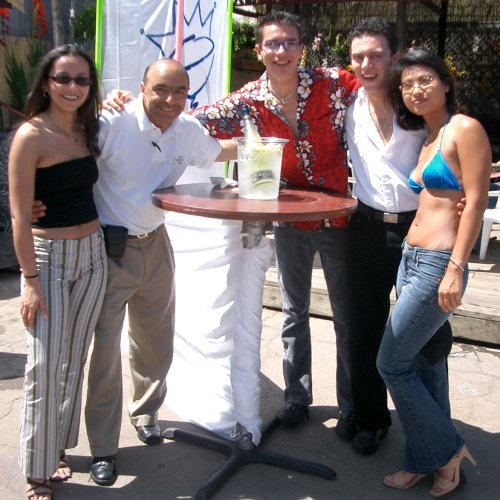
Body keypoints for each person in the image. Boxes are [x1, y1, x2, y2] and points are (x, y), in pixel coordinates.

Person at [32, 58, 235, 486]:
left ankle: (145, 413)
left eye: (180, 91)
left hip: (156, 243)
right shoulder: (113, 122)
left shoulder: (187, 129)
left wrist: (266, 143)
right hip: (108, 248)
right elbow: (63, 154)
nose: (171, 99)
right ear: (141, 87)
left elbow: (219, 152)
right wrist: (34, 200)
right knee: (105, 352)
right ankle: (104, 447)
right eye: (161, 89)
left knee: (156, 341)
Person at [193, 11, 360, 430]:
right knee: (293, 311)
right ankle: (297, 398)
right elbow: (192, 122)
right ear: (259, 50)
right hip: (288, 218)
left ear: (301, 48)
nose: (281, 51)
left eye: (289, 42)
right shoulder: (249, 99)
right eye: (272, 43)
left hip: (338, 218)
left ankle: (352, 405)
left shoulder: (334, 84)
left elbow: (383, 95)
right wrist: (129, 108)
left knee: (346, 315)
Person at [376, 48, 490, 496]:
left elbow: (475, 202)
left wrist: (456, 268)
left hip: (439, 263)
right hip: (411, 258)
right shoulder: (427, 135)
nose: (415, 90)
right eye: (407, 85)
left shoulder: (465, 128)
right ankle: (428, 463)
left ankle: (447, 450)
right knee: (425, 363)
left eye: (424, 80)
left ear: (445, 82)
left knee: (391, 363)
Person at [344, 18, 453, 456]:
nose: (367, 64)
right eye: (358, 57)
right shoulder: (344, 105)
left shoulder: (418, 106)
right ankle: (371, 419)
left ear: (394, 57)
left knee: (426, 336)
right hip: (366, 226)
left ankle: (434, 428)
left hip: (419, 231)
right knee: (364, 327)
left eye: (376, 55)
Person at [9, 45, 107, 500]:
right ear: (46, 83)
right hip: (48, 259)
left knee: (74, 359)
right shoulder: (30, 135)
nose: (72, 87)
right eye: (63, 78)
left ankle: (57, 448)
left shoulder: (88, 128)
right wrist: (30, 281)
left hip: (93, 256)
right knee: (45, 366)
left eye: (82, 80)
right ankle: (37, 471)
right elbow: (18, 217)